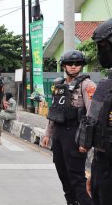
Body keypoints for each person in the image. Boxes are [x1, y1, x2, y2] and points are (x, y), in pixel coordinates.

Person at [42, 50, 96, 205]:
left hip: (76, 133)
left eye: (77, 63)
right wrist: (48, 134)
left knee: (76, 177)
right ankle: (72, 202)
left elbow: (92, 115)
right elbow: (54, 111)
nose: (73, 66)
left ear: (81, 66)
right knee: (62, 173)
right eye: (69, 64)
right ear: (64, 66)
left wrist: (85, 142)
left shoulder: (87, 85)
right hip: (59, 133)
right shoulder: (59, 85)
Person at [77, 18, 112, 205]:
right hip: (102, 169)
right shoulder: (105, 86)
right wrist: (95, 175)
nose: (100, 53)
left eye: (103, 46)